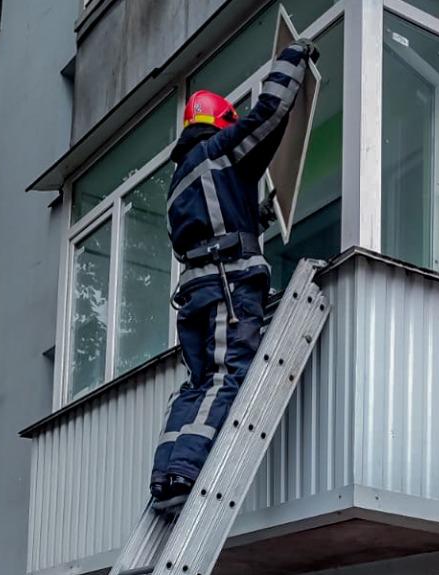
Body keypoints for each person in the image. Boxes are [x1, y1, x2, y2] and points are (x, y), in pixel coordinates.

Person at [150, 37, 318, 509]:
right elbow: (268, 113)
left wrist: (259, 216)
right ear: (220, 123)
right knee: (227, 378)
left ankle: (166, 476)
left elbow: (215, 222)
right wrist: (294, 56)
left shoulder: (181, 178)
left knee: (197, 385)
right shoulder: (220, 151)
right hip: (228, 288)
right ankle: (186, 471)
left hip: (199, 293)